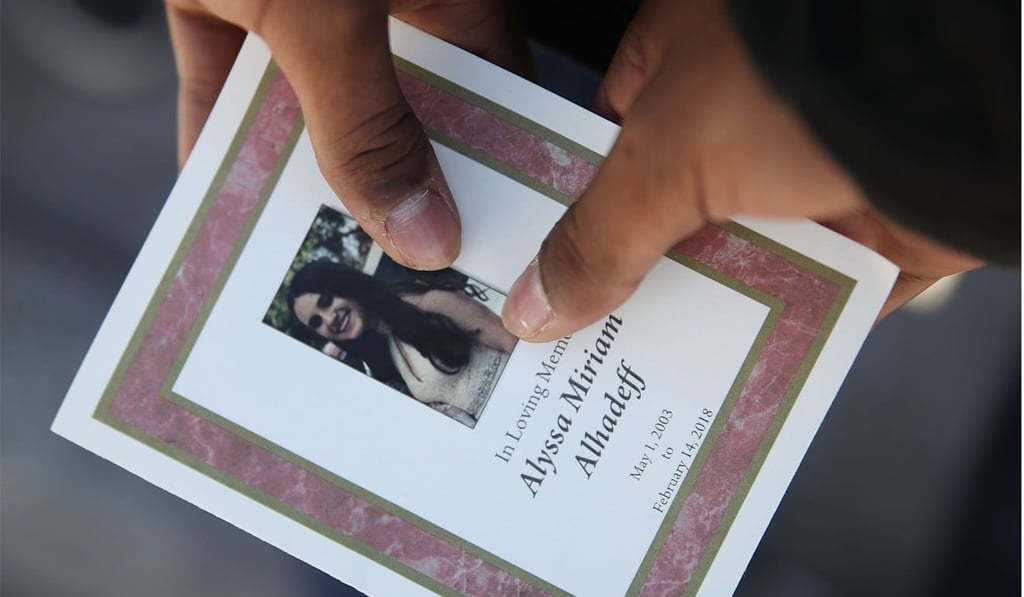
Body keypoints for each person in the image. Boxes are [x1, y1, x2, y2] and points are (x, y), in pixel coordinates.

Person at [166, 0, 1017, 343]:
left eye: (324, 300)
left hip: (732, 100)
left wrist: (897, 84)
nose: (336, 315)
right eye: (324, 319)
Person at [286, 259, 517, 427]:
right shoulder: (387, 350)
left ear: (344, 285)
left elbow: (509, 340)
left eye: (326, 301)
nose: (329, 319)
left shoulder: (422, 302)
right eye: (316, 322)